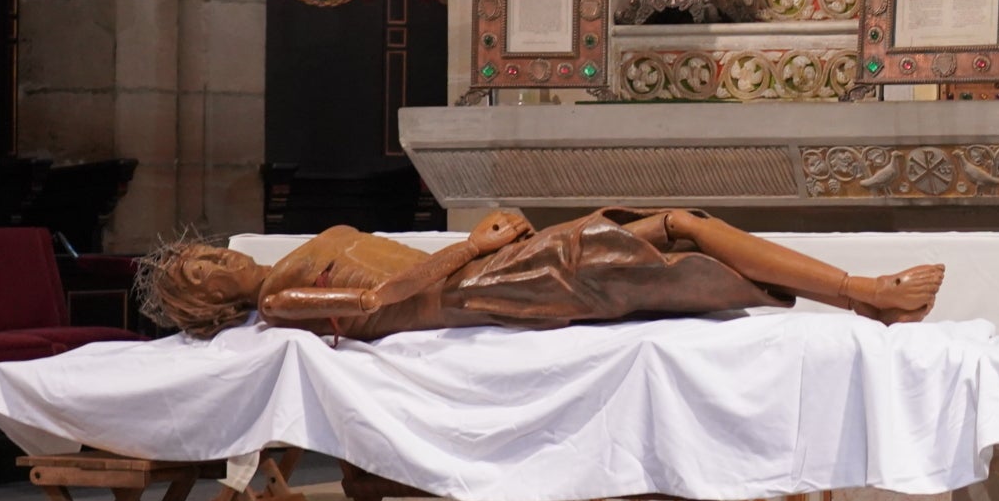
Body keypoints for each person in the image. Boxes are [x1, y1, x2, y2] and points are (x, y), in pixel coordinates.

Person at [140, 209, 944, 343]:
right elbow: (382, 297)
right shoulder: (282, 297)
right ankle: (864, 294)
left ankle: (862, 295)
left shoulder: (285, 266)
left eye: (207, 248)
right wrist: (477, 244)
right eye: (205, 268)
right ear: (206, 302)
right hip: (480, 289)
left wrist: (479, 240)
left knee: (678, 236)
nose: (219, 256)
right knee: (680, 230)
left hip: (484, 267)